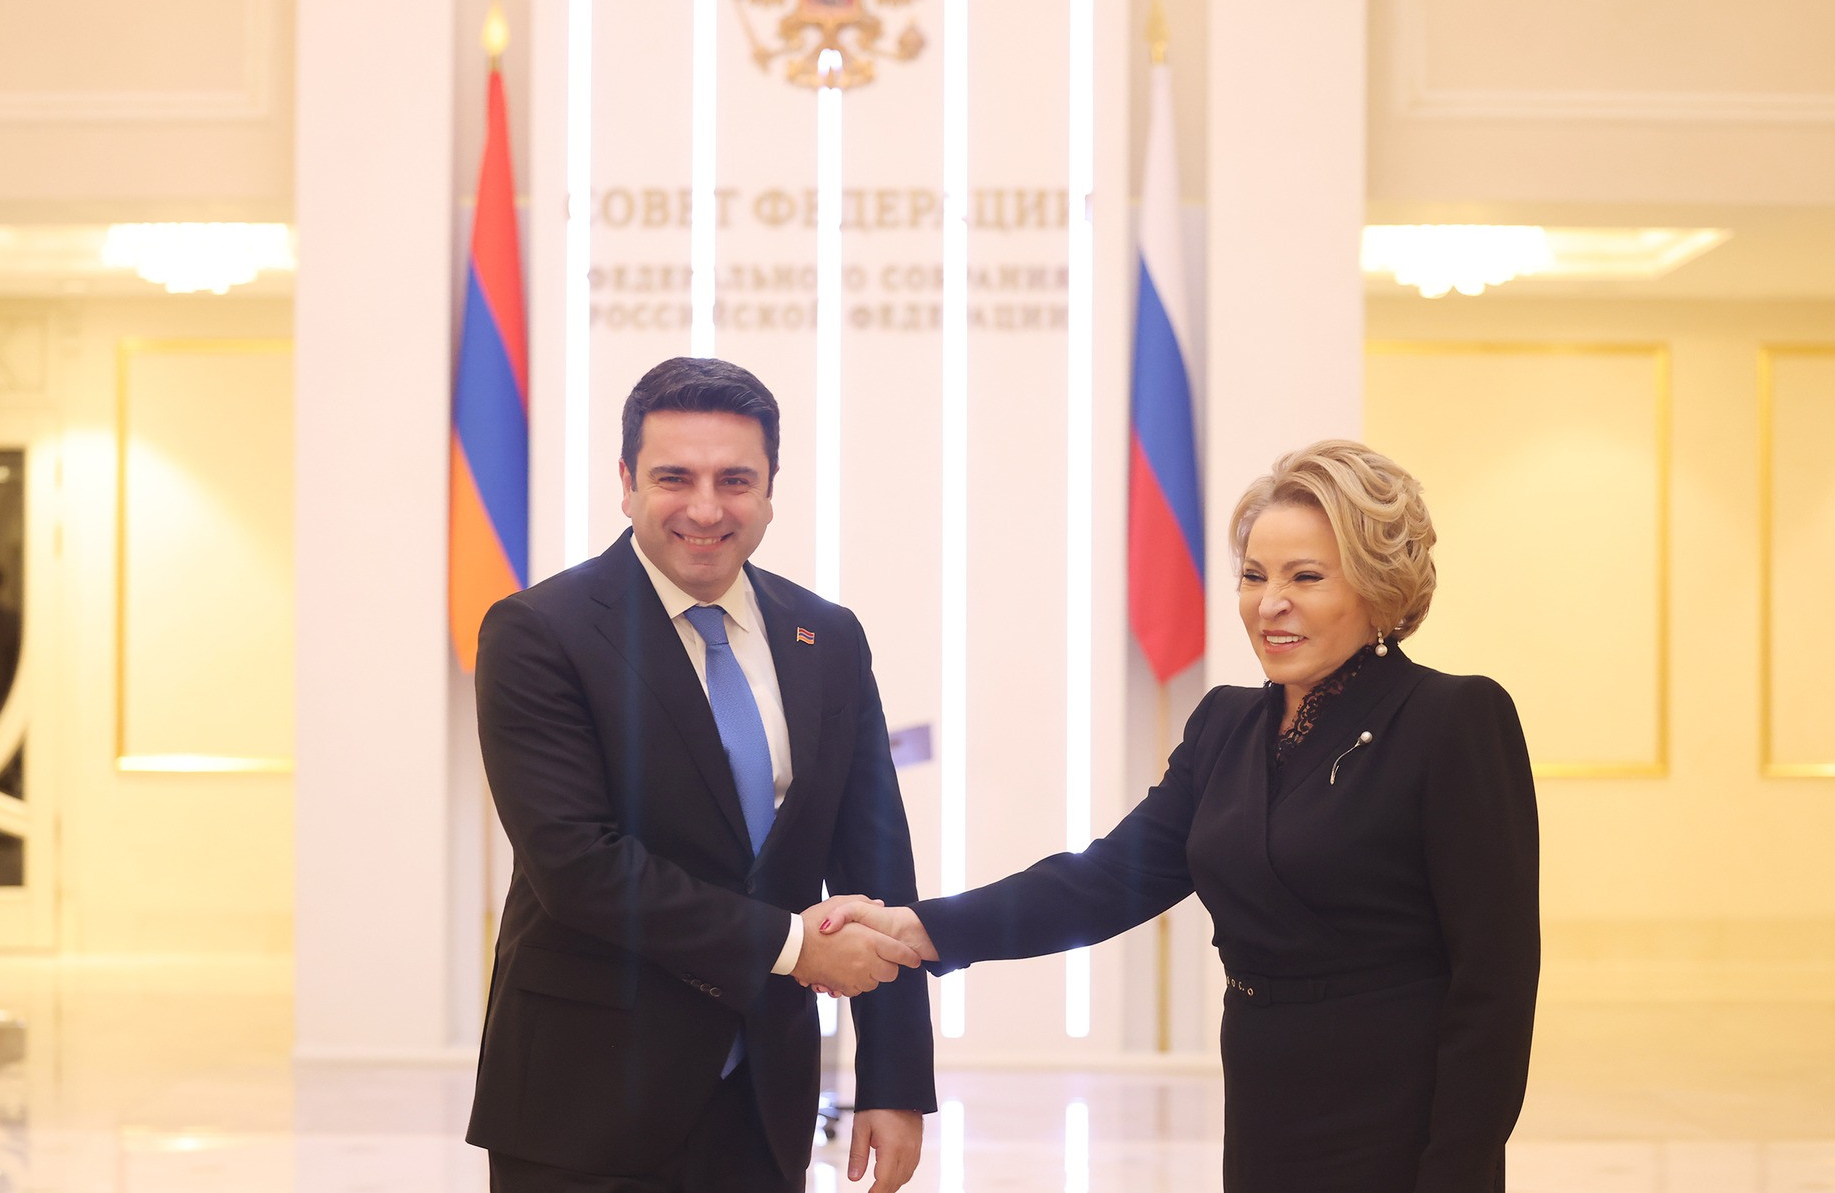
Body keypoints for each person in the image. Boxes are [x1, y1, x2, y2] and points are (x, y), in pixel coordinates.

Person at [824, 440, 1540, 1193]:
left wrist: (1457, 1169)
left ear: (1377, 586)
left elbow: (1494, 984)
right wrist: (922, 927)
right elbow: (1105, 882)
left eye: (1306, 577)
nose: (1270, 603)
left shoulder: (1453, 718)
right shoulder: (1226, 725)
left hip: (1401, 1118)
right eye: (1254, 576)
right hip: (1266, 1107)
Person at [468, 357, 935, 1193]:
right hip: (584, 1097)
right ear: (626, 482)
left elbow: (877, 867)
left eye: (735, 480)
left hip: (764, 1099)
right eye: (674, 477)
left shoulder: (828, 637)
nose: (707, 508)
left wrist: (894, 1079)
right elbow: (579, 866)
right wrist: (794, 947)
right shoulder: (539, 632)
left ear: (770, 488)